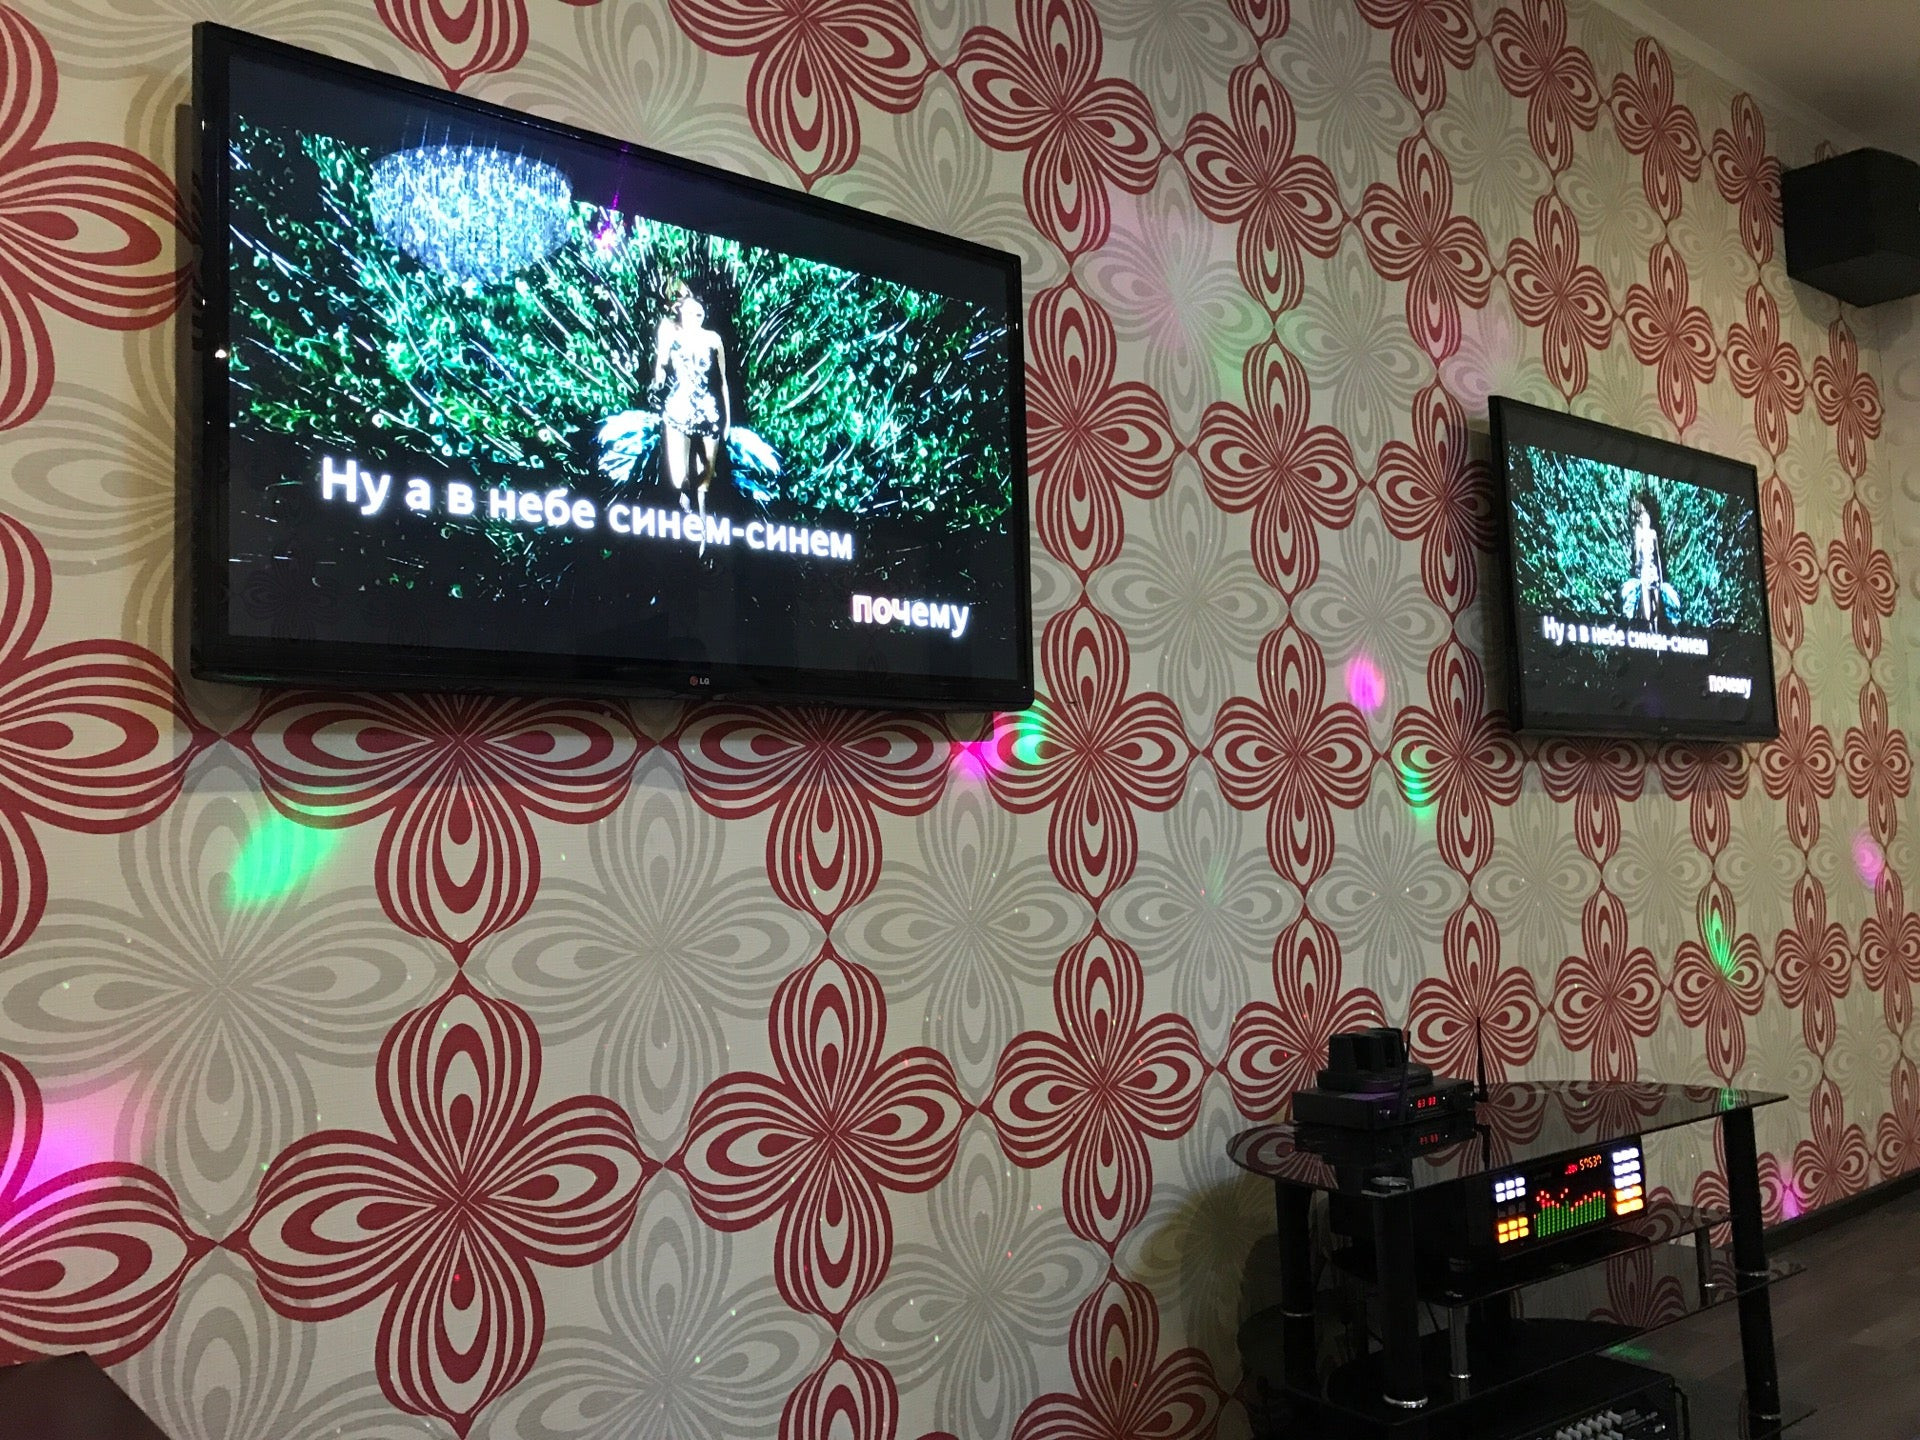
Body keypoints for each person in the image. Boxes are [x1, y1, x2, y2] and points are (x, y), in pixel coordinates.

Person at [652, 282, 729, 522]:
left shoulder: (713, 339)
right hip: (680, 408)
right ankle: (685, 500)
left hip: (708, 411)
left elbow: (723, 381)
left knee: (707, 472)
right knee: (680, 476)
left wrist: (727, 419)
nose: (695, 317)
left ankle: (704, 519)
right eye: (690, 313)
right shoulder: (672, 334)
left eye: (699, 313)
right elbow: (661, 364)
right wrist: (658, 380)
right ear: (681, 314)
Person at [1620, 492, 1674, 630]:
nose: (1646, 520)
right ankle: (1650, 629)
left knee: (1658, 604)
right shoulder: (1640, 534)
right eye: (1644, 519)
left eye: (1647, 518)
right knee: (1647, 608)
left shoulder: (1652, 534)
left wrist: (1660, 576)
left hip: (1653, 572)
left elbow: (1657, 556)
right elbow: (1637, 555)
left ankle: (1656, 627)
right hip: (1644, 572)